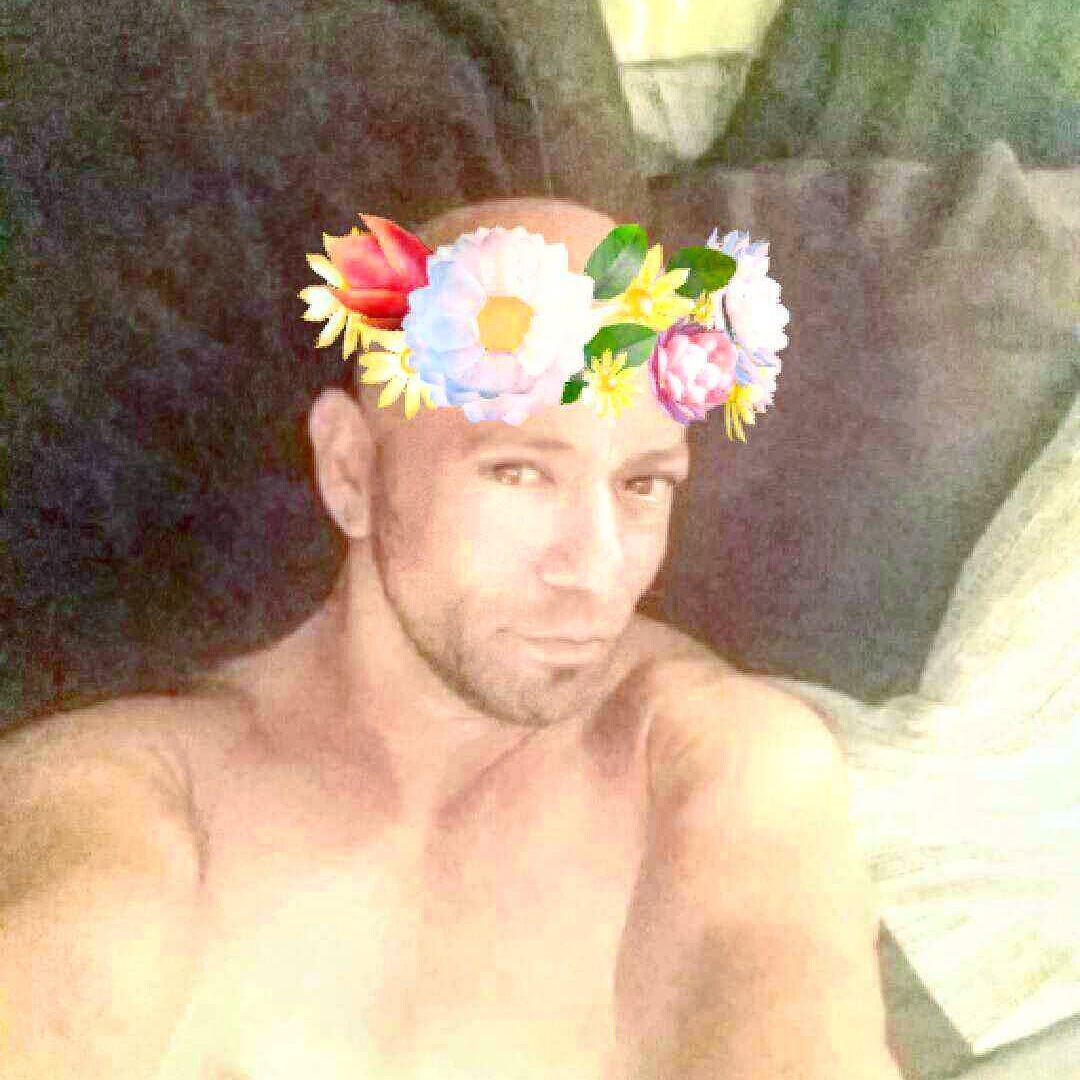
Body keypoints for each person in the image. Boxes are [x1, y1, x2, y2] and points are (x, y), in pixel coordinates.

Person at [0, 196, 901, 1079]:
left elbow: (778, 986)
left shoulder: (714, 762)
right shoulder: (126, 788)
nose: (596, 569)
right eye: (520, 473)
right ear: (351, 470)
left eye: (642, 485)